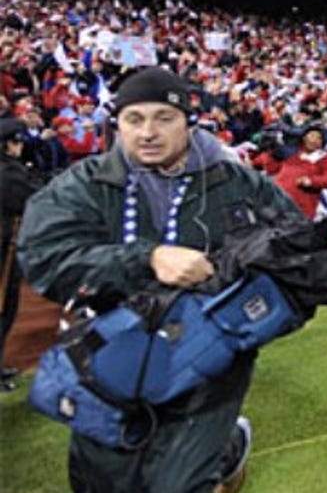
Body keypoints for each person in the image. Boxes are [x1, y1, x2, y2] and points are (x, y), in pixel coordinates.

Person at [17, 67, 303, 493]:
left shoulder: (240, 183)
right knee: (101, 484)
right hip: (105, 359)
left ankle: (215, 448)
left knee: (178, 484)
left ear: (189, 120)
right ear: (117, 124)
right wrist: (144, 259)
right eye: (134, 120)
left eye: (163, 118)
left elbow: (293, 253)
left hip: (205, 356)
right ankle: (228, 448)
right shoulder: (83, 184)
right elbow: (42, 256)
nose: (148, 132)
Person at [0, 116, 43, 391]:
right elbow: (32, 200)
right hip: (3, 251)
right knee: (3, 308)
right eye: (16, 141)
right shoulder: (9, 173)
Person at [257, 124, 327, 219]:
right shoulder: (293, 152)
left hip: (301, 206)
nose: (314, 140)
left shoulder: (323, 157)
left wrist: (311, 181)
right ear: (304, 138)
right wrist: (269, 152)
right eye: (311, 136)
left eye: (318, 138)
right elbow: (272, 169)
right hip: (279, 200)